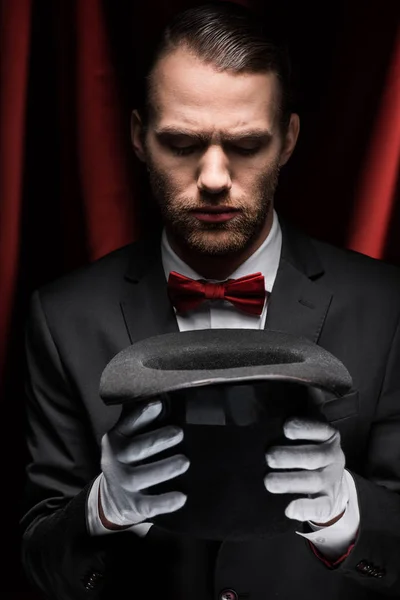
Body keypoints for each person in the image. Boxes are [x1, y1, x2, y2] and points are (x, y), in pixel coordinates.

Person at [20, 2, 400, 599]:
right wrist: (101, 510)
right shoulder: (61, 317)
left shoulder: (389, 306)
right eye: (181, 142)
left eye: (247, 144)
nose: (216, 176)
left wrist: (344, 512)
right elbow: (38, 564)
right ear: (139, 138)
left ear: (289, 140)